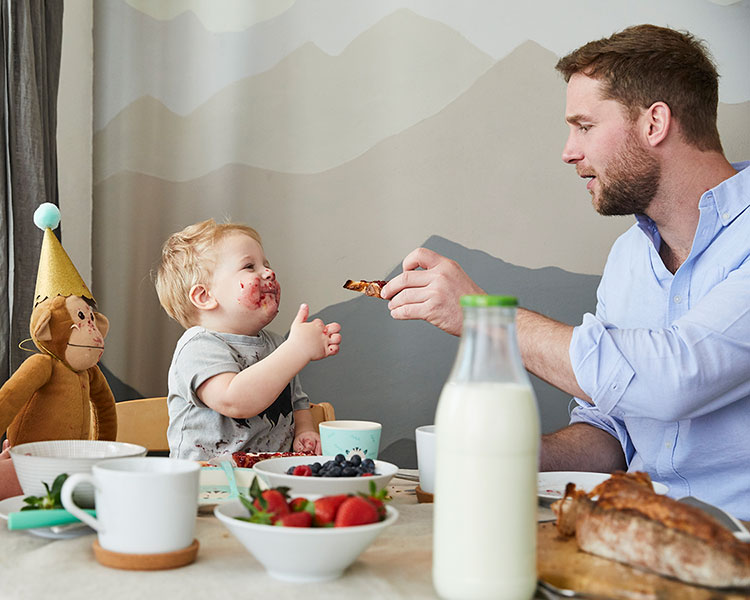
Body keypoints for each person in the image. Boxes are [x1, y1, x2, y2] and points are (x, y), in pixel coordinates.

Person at [381, 25, 750, 518]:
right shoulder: (628, 258)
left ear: (654, 123)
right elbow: (612, 430)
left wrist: (481, 317)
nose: (568, 150)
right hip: (637, 536)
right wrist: (511, 455)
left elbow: (674, 376)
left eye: (584, 125)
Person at [155, 219, 341, 460]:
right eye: (249, 266)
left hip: (271, 477)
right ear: (204, 296)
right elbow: (235, 401)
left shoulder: (276, 345)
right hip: (210, 482)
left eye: (266, 264)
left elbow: (297, 402)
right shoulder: (198, 346)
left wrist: (304, 430)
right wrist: (297, 349)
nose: (269, 272)